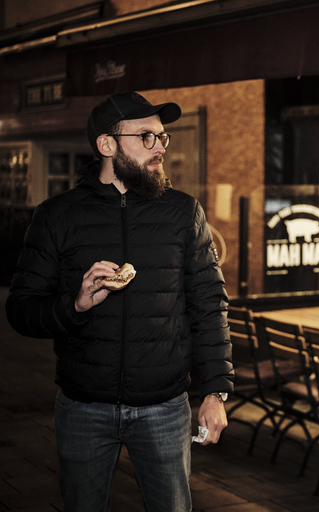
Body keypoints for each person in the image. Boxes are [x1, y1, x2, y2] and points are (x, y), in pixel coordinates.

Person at [5, 91, 234, 511]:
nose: (160, 147)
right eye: (147, 137)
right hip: (83, 408)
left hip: (165, 408)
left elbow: (209, 304)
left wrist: (216, 391)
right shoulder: (58, 215)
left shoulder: (184, 213)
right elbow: (20, 310)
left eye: (163, 138)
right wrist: (74, 305)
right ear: (106, 145)